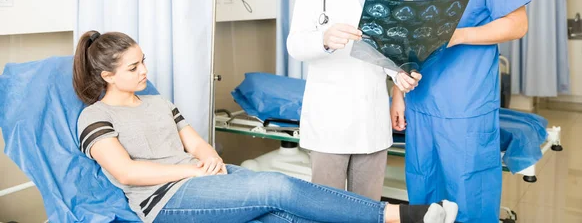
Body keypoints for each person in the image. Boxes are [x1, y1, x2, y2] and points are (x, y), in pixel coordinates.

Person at [73, 30, 458, 223]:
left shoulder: (157, 102)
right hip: (164, 201)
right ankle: (395, 216)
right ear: (107, 75)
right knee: (274, 183)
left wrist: (207, 159)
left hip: (201, 179)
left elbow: (195, 143)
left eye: (143, 61)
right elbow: (126, 171)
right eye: (134, 67)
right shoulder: (95, 117)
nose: (145, 71)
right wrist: (191, 170)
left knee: (284, 217)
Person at [391, 0, 530, 223]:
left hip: (467, 109)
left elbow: (518, 24)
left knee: (470, 203)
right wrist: (396, 91)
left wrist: (459, 34)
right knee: (425, 203)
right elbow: (401, 36)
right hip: (420, 107)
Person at [286, 0, 423, 201]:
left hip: (372, 123)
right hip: (329, 125)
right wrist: (324, 38)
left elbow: (391, 52)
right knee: (328, 211)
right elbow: (294, 45)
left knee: (368, 210)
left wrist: (401, 76)